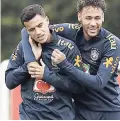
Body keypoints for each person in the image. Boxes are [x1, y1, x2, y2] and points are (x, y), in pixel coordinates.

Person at [21, 0, 120, 120]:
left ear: (103, 17)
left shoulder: (112, 43)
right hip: (80, 111)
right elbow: (26, 31)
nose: (93, 23)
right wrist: (31, 60)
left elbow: (98, 83)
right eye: (88, 18)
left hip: (108, 111)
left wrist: (65, 64)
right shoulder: (69, 30)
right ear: (79, 16)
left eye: (97, 18)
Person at [5, 4, 85, 120]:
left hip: (61, 117)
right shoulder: (23, 47)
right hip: (30, 116)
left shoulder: (68, 48)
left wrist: (46, 75)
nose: (38, 32)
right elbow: (9, 81)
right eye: (32, 29)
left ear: (47, 20)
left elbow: (79, 87)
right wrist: (28, 66)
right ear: (26, 30)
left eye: (40, 25)